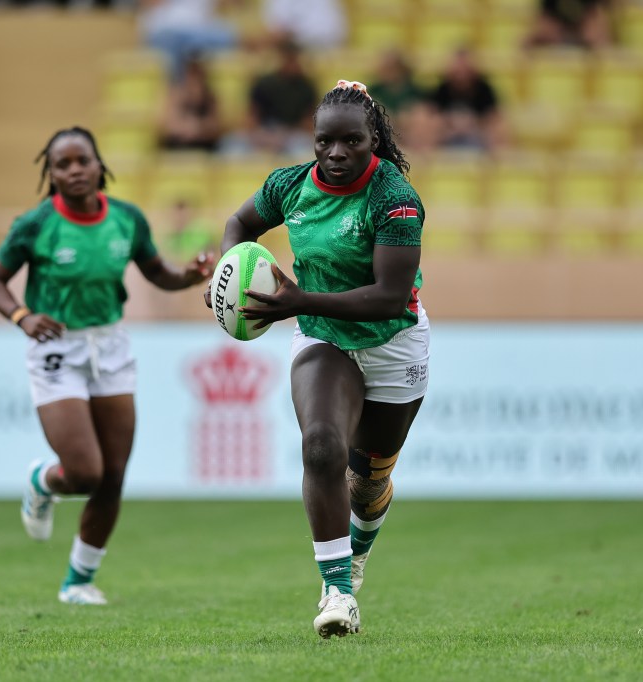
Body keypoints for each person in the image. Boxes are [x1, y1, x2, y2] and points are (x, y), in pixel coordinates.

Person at [206, 80, 429, 638]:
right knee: (322, 446)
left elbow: (388, 295)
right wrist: (230, 274)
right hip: (322, 336)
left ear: (372, 139)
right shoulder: (288, 185)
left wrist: (297, 298)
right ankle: (337, 592)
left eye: (350, 141)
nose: (335, 153)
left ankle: (358, 543)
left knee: (369, 481)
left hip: (392, 341)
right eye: (324, 142)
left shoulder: (394, 197)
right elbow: (240, 226)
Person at [0, 126, 215, 605]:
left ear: (99, 165)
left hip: (109, 346)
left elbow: (157, 273)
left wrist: (188, 276)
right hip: (55, 349)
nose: (73, 171)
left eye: (81, 161)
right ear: (50, 174)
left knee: (113, 475)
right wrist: (21, 316)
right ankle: (42, 481)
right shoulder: (35, 224)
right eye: (61, 164)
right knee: (85, 473)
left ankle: (78, 581)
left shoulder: (127, 219)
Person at [428, 48, 504, 152]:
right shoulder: (442, 89)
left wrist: (472, 123)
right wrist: (451, 124)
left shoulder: (484, 88)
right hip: (448, 133)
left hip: (478, 133)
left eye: (465, 68)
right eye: (459, 68)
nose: (462, 72)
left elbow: (493, 115)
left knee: (499, 127)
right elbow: (433, 113)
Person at [158, 57, 223, 152]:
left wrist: (199, 127)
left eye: (197, 76)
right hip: (178, 146)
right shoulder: (176, 95)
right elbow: (164, 124)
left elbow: (218, 125)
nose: (194, 81)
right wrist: (186, 128)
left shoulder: (211, 97)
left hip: (204, 147)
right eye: (191, 76)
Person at [525, 0, 613, 51]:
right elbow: (545, 20)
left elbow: (595, 18)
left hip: (582, 30)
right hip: (557, 31)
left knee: (597, 37)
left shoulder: (590, 4)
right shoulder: (550, 3)